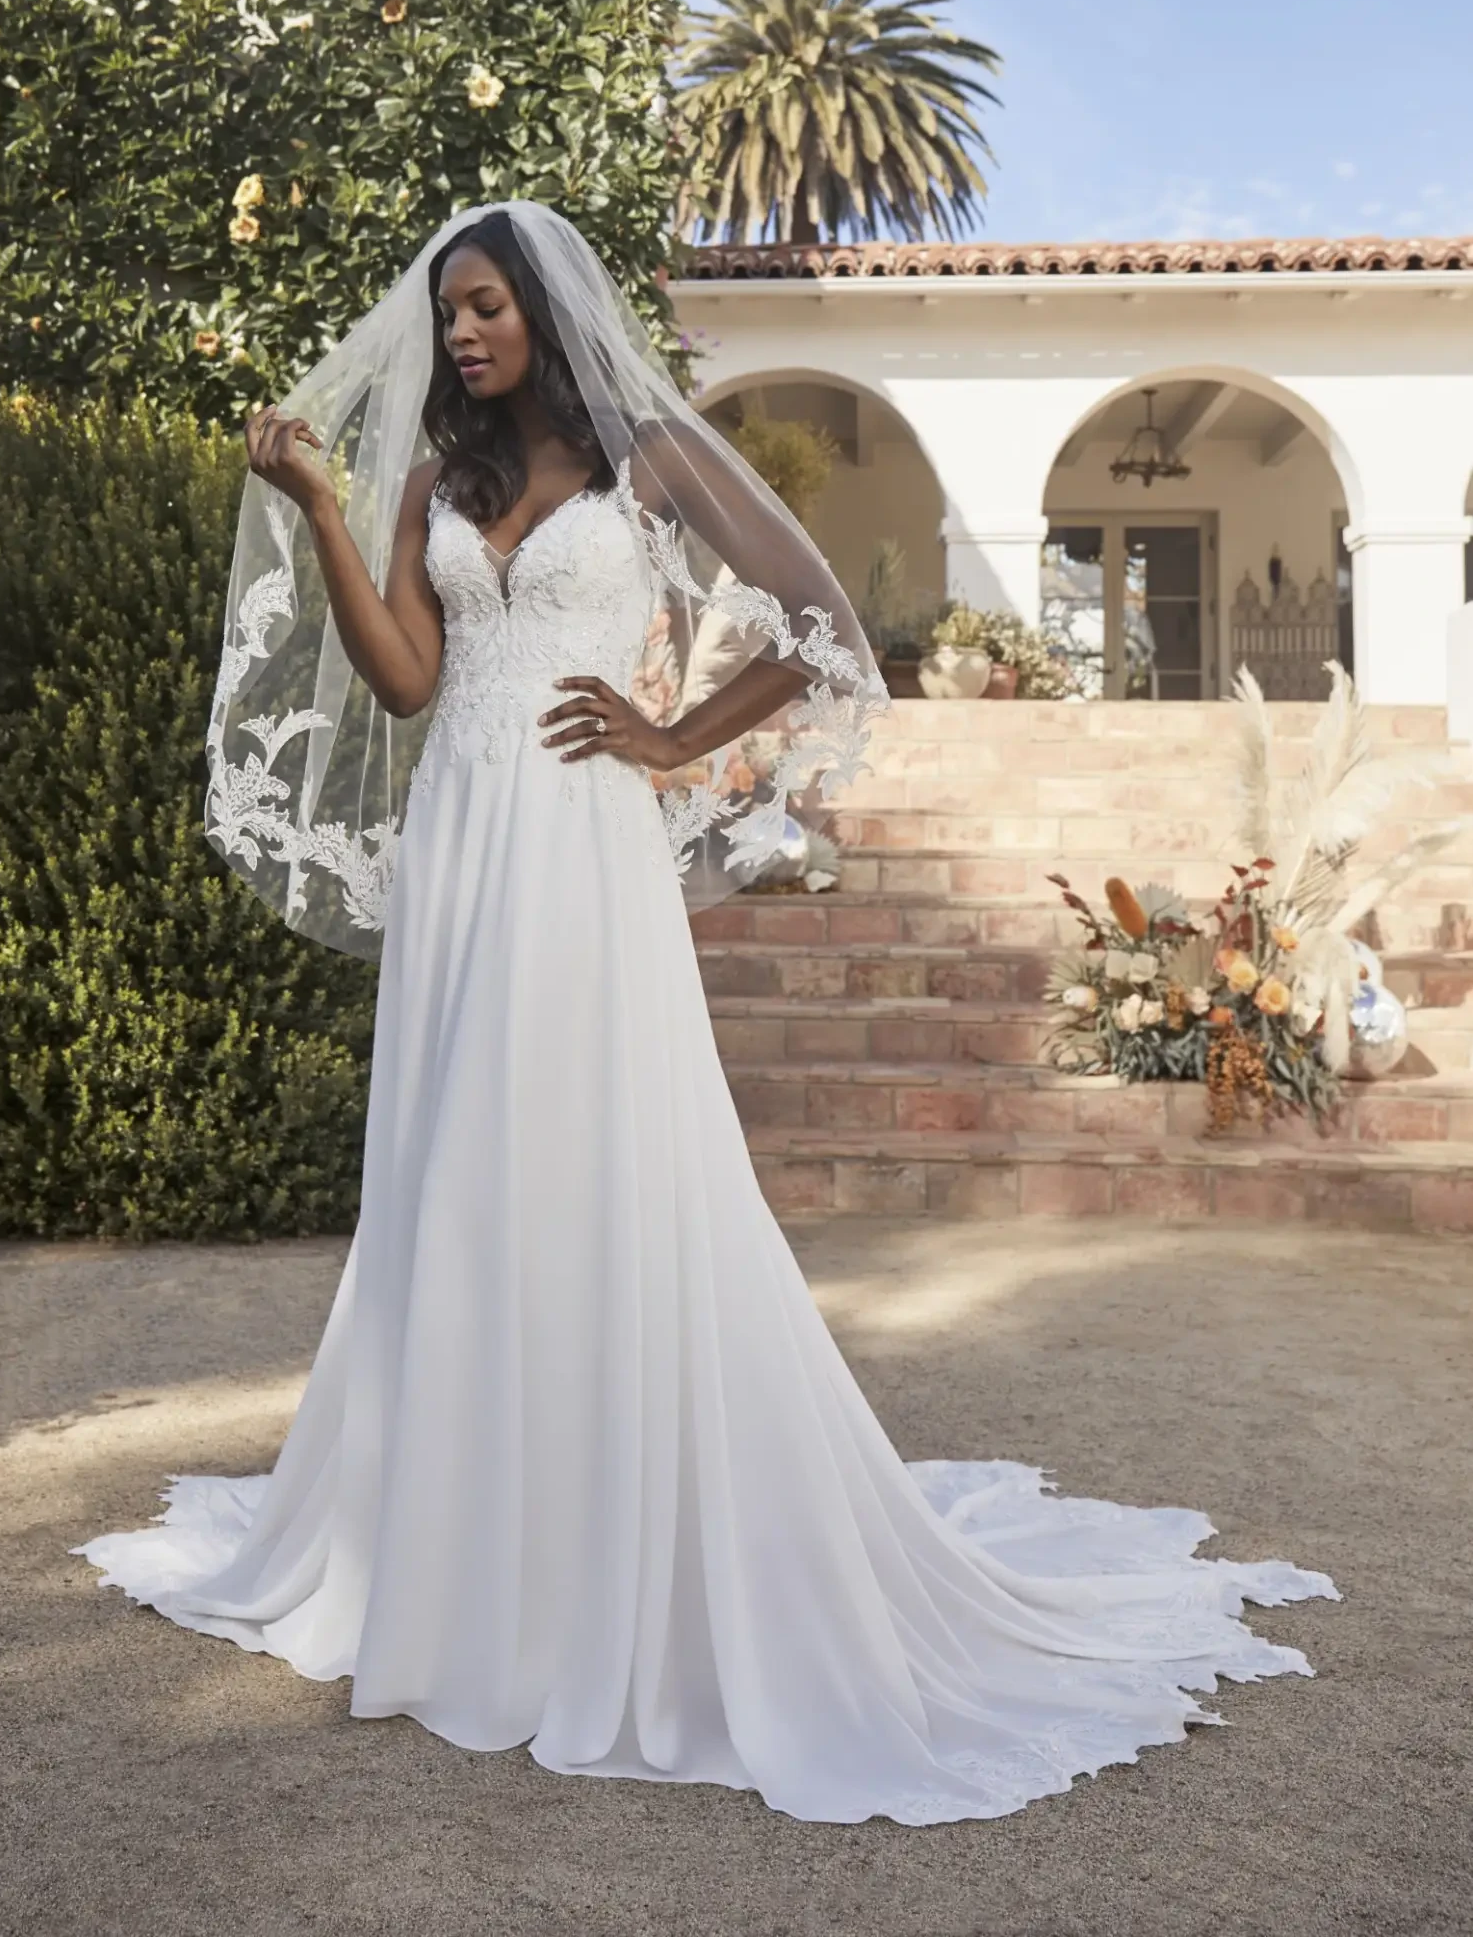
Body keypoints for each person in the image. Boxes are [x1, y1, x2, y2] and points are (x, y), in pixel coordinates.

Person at [77, 200, 1333, 1826]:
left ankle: (604, 1535)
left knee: (592, 1168)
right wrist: (320, 500)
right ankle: (458, 1539)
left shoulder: (645, 456)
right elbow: (400, 674)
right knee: (458, 1177)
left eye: (484, 308)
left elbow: (818, 623)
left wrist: (672, 739)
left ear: (541, 311)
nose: (460, 335)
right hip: (463, 838)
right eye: (446, 312)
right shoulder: (433, 484)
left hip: (583, 849)